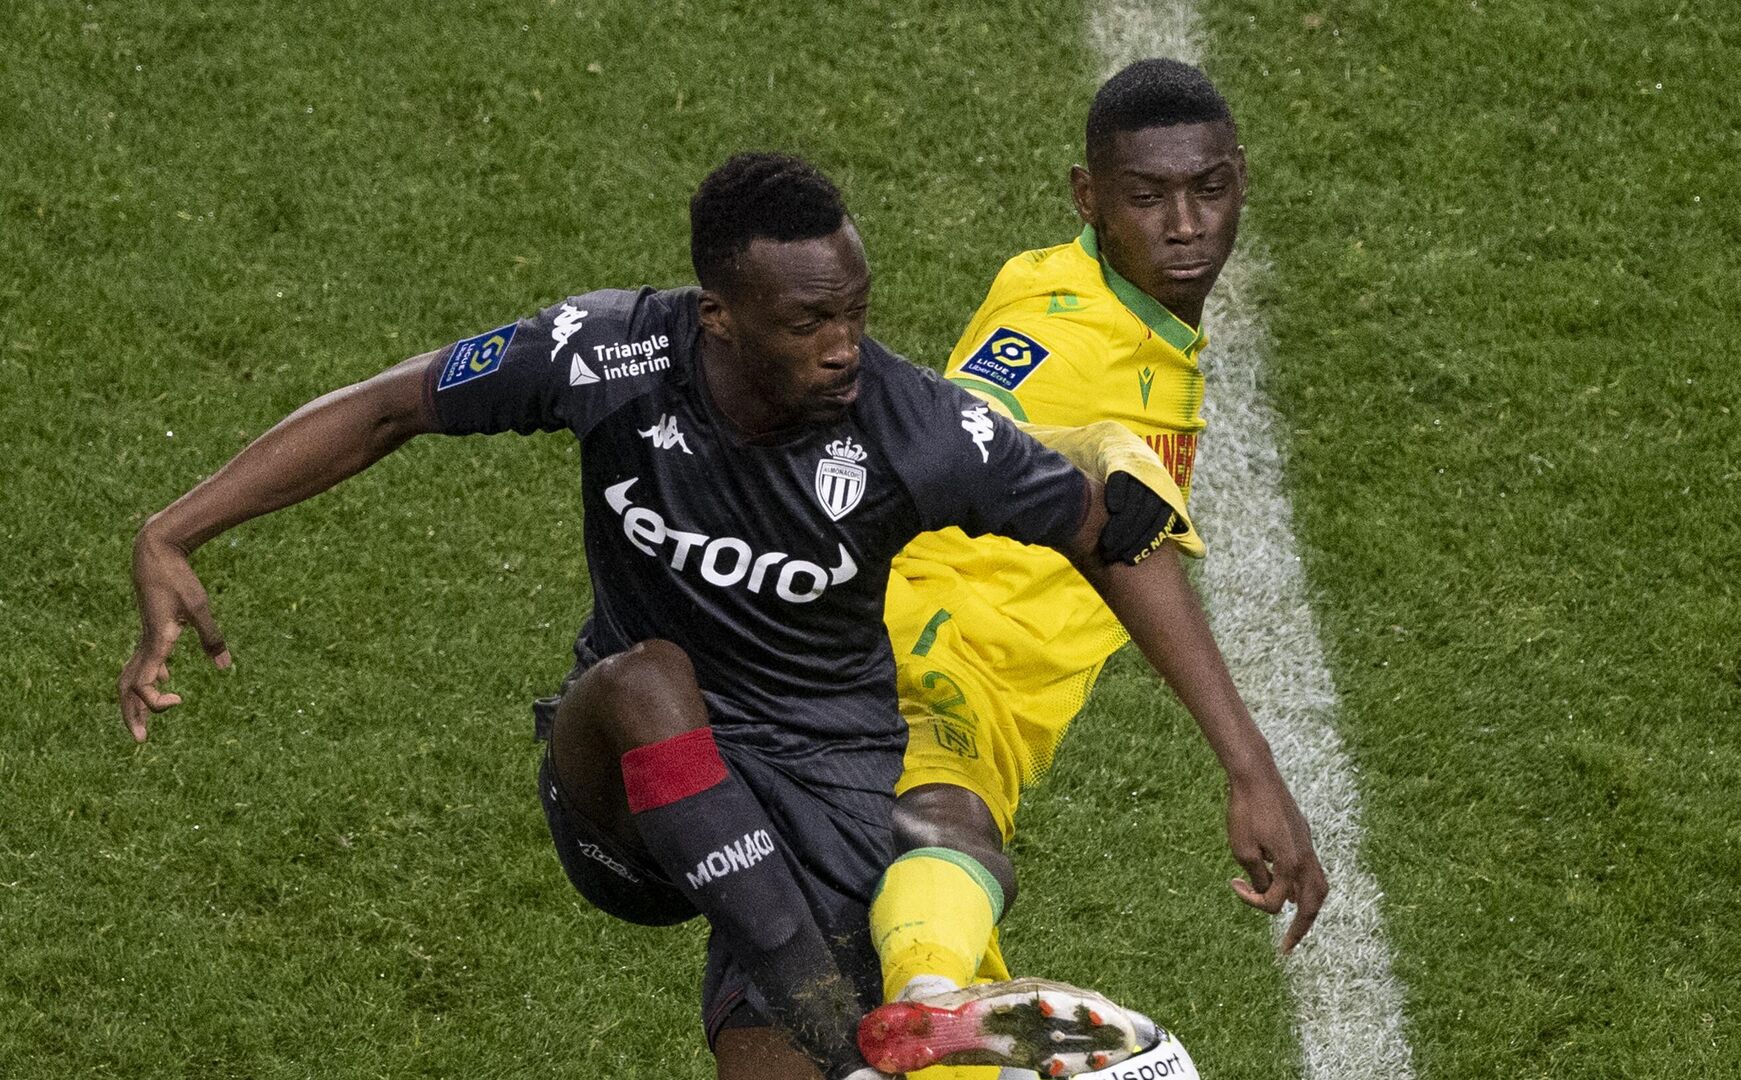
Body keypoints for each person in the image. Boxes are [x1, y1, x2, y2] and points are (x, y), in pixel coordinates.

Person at [116, 152, 1316, 1080]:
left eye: (856, 309)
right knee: (646, 679)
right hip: (631, 789)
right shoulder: (607, 355)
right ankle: (855, 1042)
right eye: (811, 323)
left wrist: (1248, 767)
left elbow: (1113, 535)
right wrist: (173, 531)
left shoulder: (914, 429)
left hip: (823, 804)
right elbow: (391, 408)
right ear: (720, 315)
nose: (849, 347)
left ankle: (838, 1032)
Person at [859, 60, 1328, 1076]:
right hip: (941, 651)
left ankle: (924, 1010)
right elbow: (975, 430)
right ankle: (932, 1004)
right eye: (1147, 196)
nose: (1187, 223)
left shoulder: (1060, 277)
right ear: (1089, 197)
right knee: (947, 822)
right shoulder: (1065, 333)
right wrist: (1252, 770)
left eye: (1209, 188)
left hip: (964, 670)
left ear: (1242, 178)